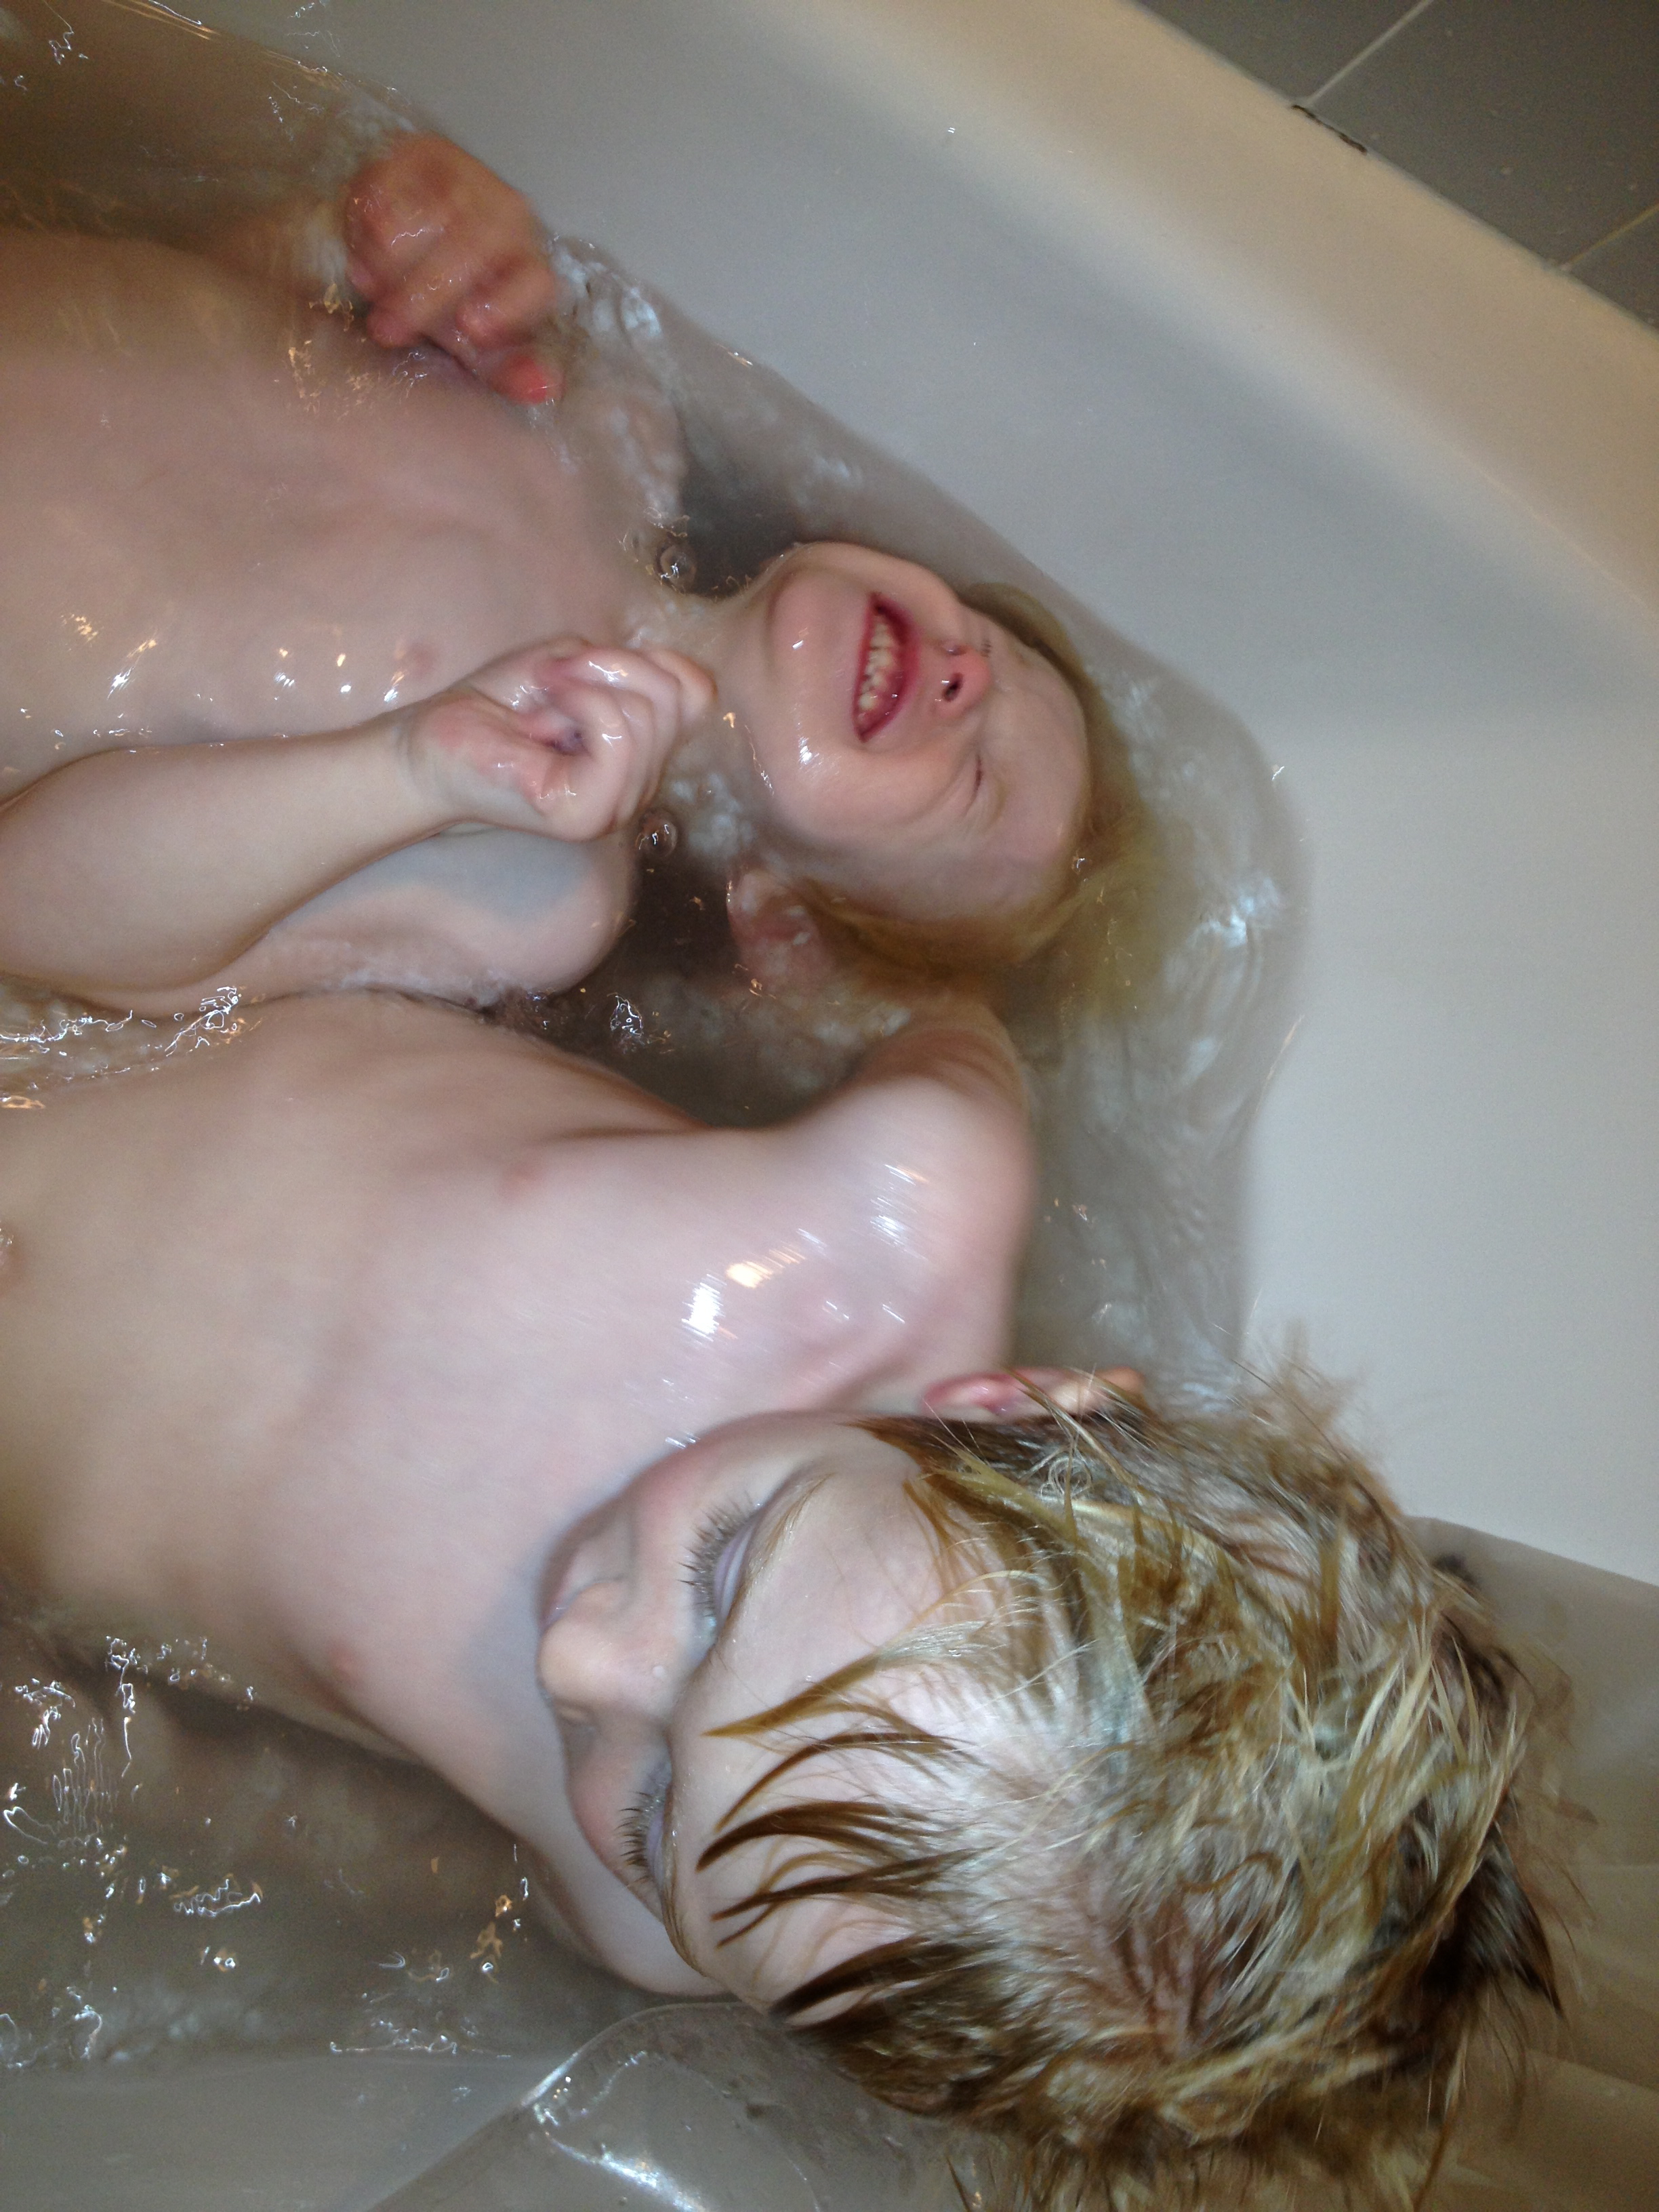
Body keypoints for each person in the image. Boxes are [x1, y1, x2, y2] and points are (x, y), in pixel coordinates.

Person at [0, 978, 1559, 2210]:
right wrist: (822, 975)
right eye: (724, 1571)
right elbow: (935, 1006)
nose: (579, 1662)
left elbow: (336, 1818)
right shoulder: (895, 1204)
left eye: (651, 1808)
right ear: (1015, 1407)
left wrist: (131, 1758)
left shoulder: (653, 1927)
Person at [0, 127, 1136, 1017]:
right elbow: (222, 315)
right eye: (992, 651)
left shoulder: (545, 882)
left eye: (974, 780)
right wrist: (377, 242)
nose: (964, 679)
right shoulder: (607, 424)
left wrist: (414, 771)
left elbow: (33, 914)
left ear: (783, 917)